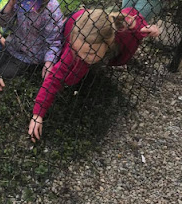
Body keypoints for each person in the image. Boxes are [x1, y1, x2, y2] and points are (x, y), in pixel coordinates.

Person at [28, 8, 160, 142]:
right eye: (79, 51)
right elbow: (54, 78)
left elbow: (131, 13)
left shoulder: (119, 30)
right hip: (74, 22)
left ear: (108, 43)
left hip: (90, 22)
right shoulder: (75, 50)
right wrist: (37, 114)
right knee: (70, 77)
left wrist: (146, 28)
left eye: (90, 53)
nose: (83, 56)